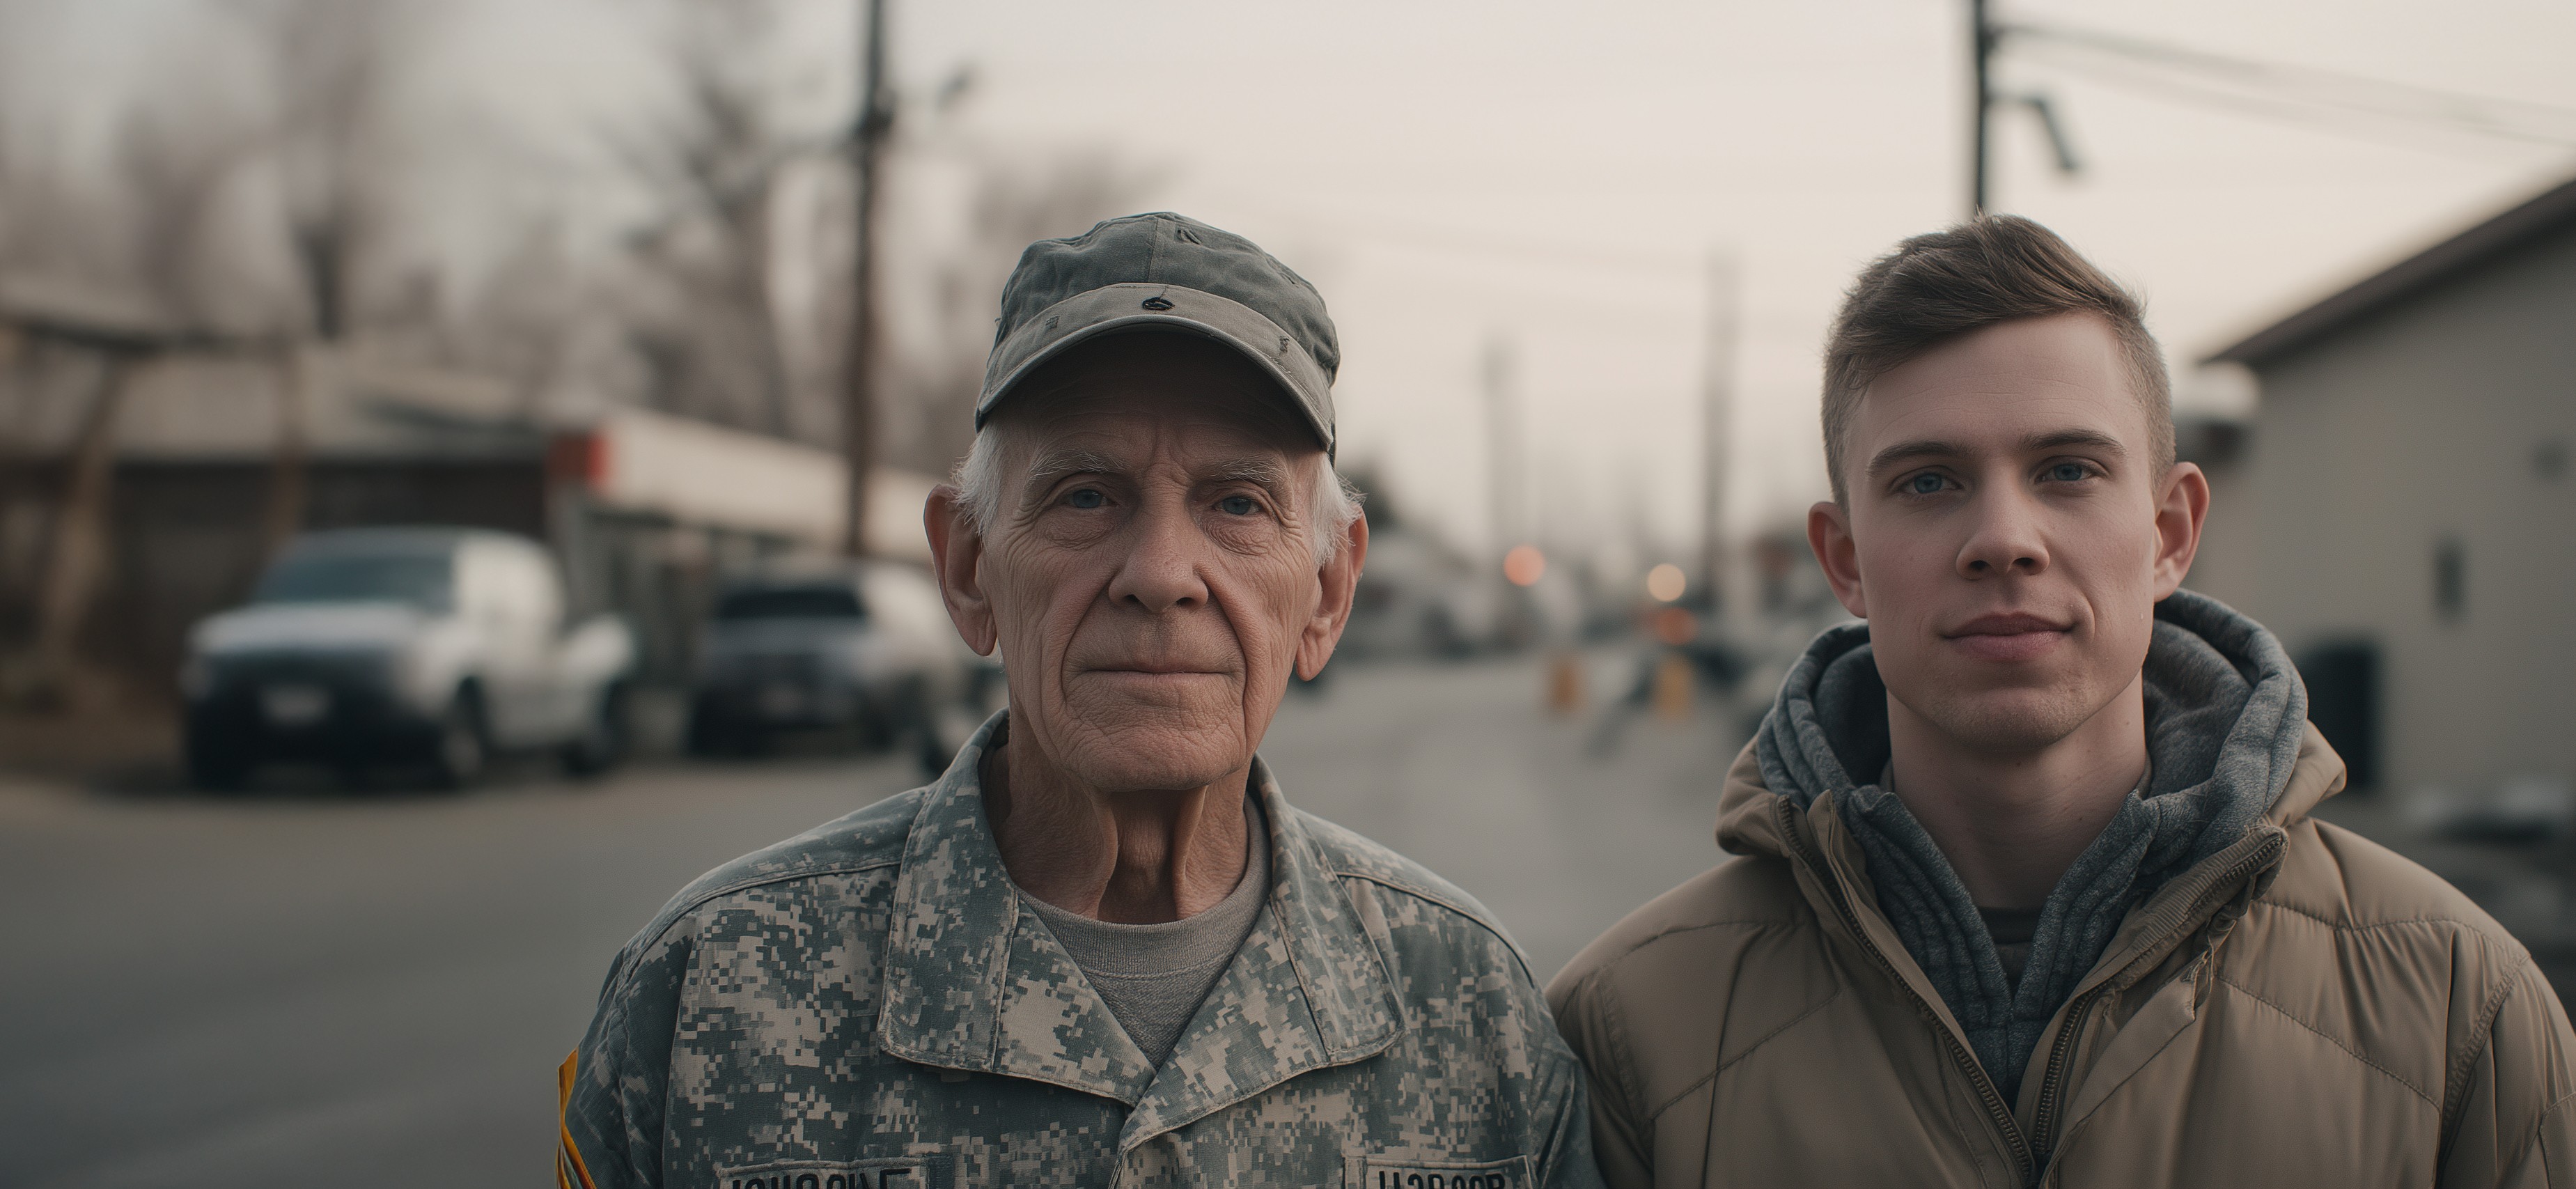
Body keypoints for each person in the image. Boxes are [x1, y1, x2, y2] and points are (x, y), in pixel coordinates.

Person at [558, 212, 1599, 1189]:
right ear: (969, 569)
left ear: (1327, 591)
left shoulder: (1474, 1016)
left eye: (1237, 504)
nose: (1160, 572)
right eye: (1085, 496)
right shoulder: (708, 997)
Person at [1547, 216, 2576, 1187]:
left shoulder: (2454, 1006)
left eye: (2069, 469)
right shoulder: (1626, 1034)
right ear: (1846, 560)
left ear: (2171, 531)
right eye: (1927, 482)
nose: (2005, 537)